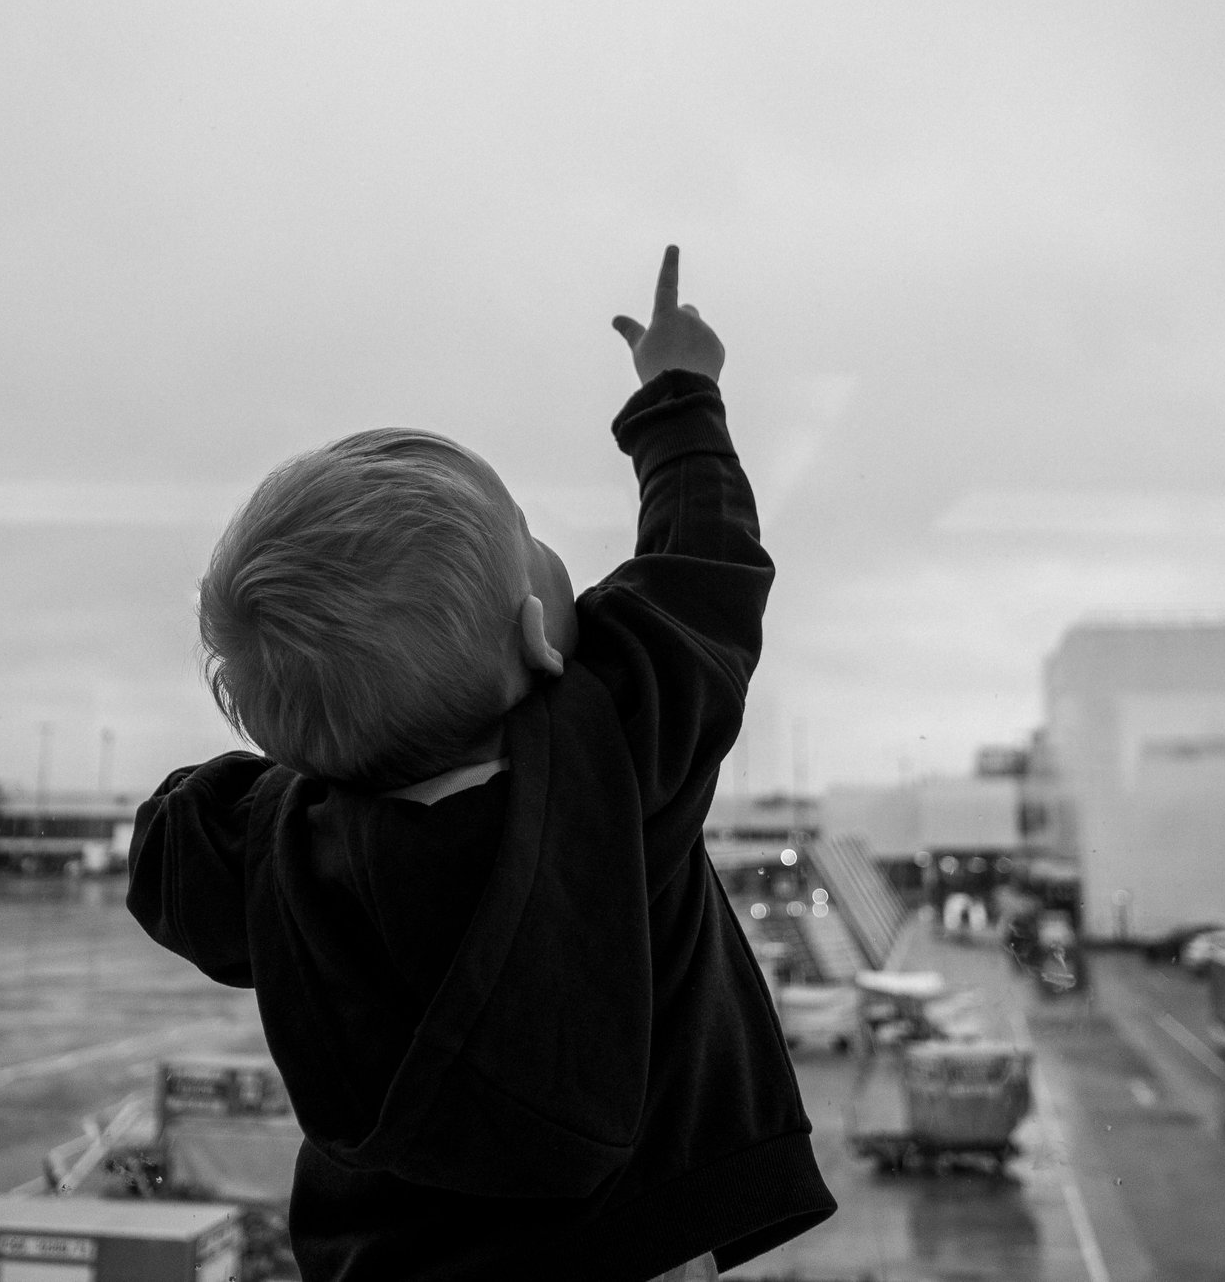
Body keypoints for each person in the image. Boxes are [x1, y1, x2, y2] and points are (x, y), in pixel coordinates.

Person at [127, 246, 834, 1282]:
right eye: (533, 544)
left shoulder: (274, 849)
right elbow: (703, 572)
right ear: (543, 639)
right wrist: (678, 397)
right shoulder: (614, 751)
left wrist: (306, 761)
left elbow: (169, 846)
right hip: (638, 1232)